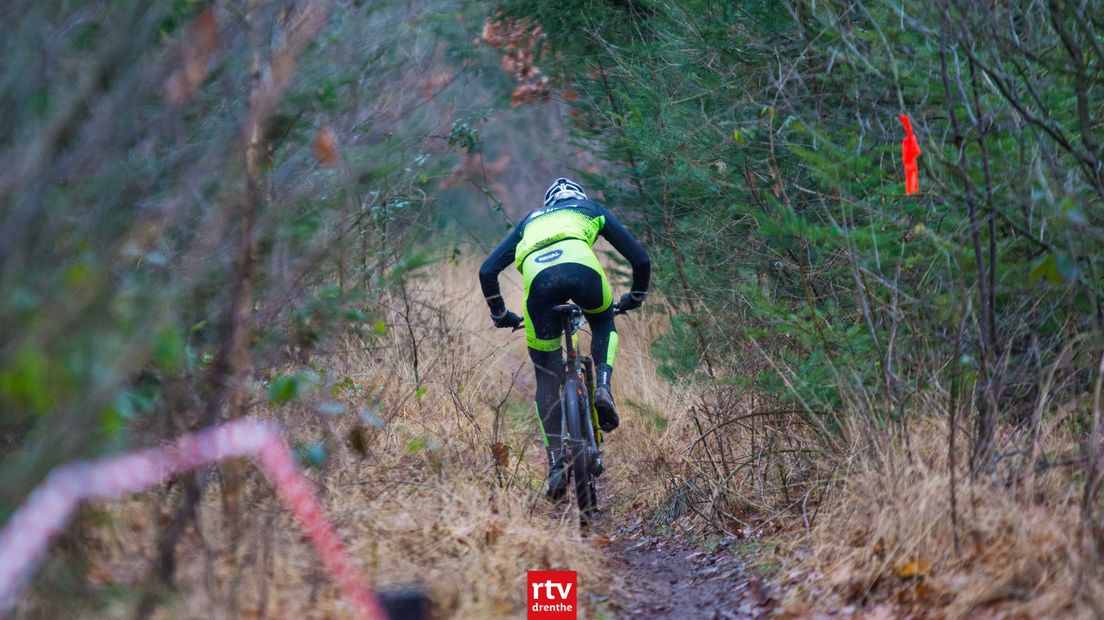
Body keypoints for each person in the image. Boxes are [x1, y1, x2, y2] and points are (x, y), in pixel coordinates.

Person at [478, 177, 651, 500]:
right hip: (582, 273)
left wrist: (501, 314)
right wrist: (635, 296)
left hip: (540, 287)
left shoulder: (529, 221)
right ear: (578, 198)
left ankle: (556, 461)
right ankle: (602, 386)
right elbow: (640, 260)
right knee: (602, 321)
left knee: (547, 376)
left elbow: (488, 270)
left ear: (548, 205)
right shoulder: (590, 210)